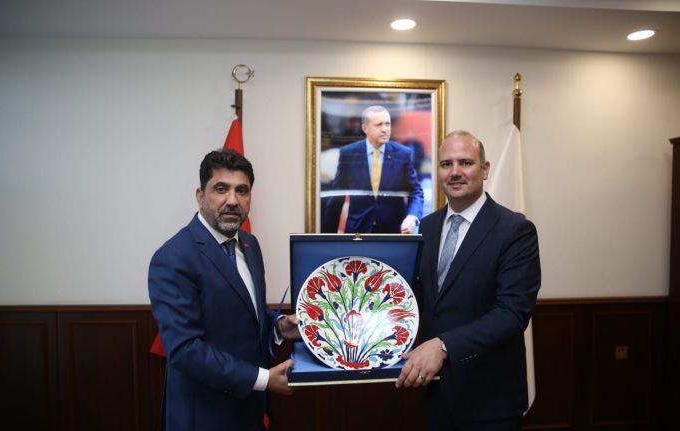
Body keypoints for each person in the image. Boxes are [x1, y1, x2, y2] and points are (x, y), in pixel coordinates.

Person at [395, 131, 541, 431]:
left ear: (484, 169)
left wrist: (444, 345)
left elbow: (512, 314)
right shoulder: (428, 227)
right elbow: (417, 296)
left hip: (490, 399)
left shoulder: (515, 230)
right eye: (446, 164)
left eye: (465, 162)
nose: (455, 172)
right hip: (436, 393)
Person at [148, 149, 300, 430]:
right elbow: (185, 350)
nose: (232, 200)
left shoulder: (250, 245)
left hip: (249, 411)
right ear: (200, 195)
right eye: (221, 189)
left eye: (242, 190)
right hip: (203, 416)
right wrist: (264, 379)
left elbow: (244, 313)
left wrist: (279, 326)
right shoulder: (173, 257)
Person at [322, 105, 424, 233]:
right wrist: (329, 236)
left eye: (387, 124)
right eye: (379, 125)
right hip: (358, 231)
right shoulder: (349, 153)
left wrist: (412, 216)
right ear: (365, 128)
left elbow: (415, 191)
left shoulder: (402, 154)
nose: (385, 129)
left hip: (393, 231)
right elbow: (337, 197)